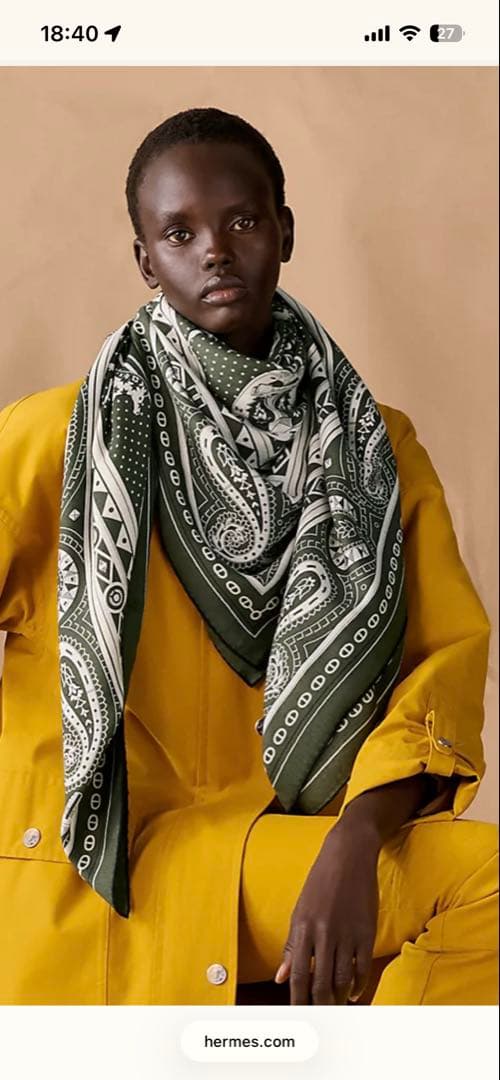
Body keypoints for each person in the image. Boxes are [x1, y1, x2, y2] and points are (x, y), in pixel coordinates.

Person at [0, 107, 497, 1007]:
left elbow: (440, 667)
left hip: (281, 845)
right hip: (99, 866)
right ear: (145, 261)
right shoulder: (56, 435)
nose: (216, 252)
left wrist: (357, 838)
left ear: (286, 231)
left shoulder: (378, 448)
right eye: (179, 233)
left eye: (242, 220)